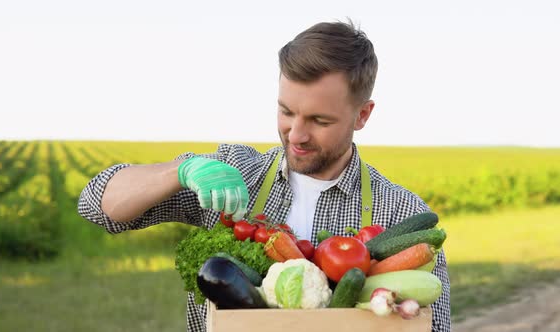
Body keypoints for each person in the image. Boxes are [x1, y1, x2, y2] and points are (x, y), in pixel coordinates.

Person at [78, 19, 451, 332]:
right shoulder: (235, 174)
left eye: (319, 120)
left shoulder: (400, 213)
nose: (297, 134)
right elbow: (98, 205)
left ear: (362, 115)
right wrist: (183, 170)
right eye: (287, 111)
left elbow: (436, 326)